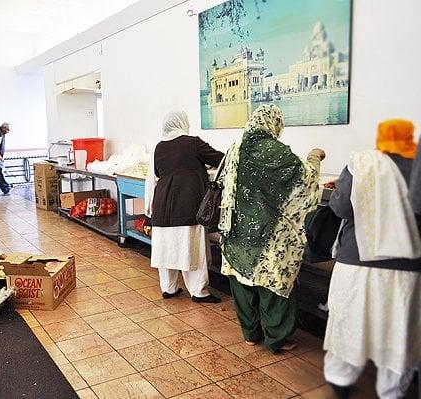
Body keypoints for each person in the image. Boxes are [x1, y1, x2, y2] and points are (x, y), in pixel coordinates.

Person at [323, 119, 421, 399]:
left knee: (349, 321)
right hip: (408, 267)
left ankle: (341, 380)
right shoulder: (417, 166)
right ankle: (391, 390)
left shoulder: (361, 163)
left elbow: (341, 207)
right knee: (398, 327)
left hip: (357, 263)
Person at [218, 104, 324, 353]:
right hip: (268, 235)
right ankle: (276, 338)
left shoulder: (235, 149)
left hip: (237, 232)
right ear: (274, 123)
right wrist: (314, 156)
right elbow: (305, 179)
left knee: (242, 283)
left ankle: (250, 334)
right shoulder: (274, 151)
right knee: (273, 284)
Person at [144, 110, 224, 303]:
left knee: (166, 247)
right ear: (182, 123)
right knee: (193, 248)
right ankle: (199, 291)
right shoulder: (192, 143)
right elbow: (221, 159)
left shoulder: (158, 148)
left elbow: (153, 175)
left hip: (162, 205)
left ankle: (169, 288)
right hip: (187, 203)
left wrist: (149, 210)